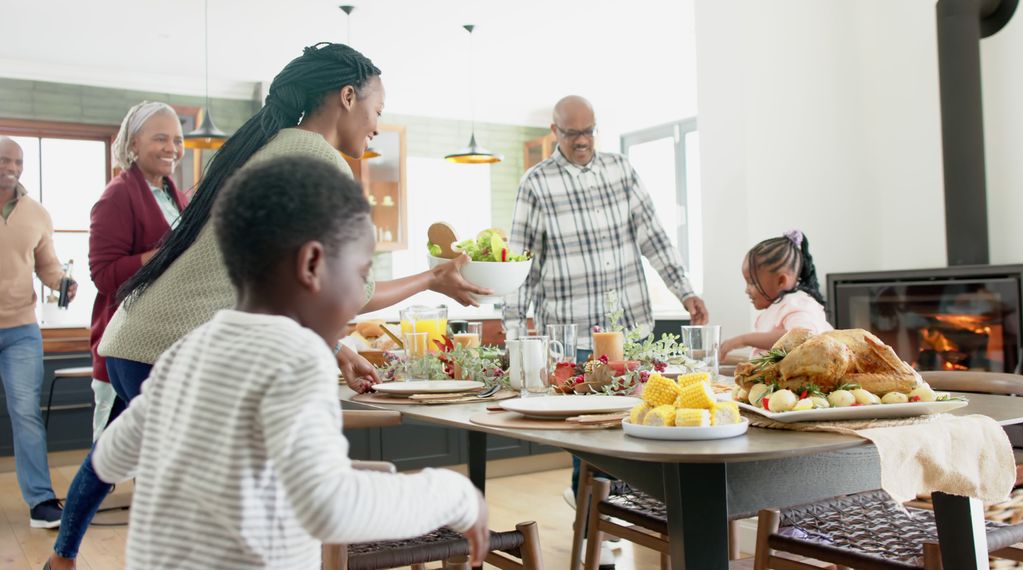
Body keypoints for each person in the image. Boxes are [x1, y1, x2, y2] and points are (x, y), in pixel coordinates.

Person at [49, 42, 489, 569]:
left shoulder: (266, 145)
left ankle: (64, 556)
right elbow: (328, 501)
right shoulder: (319, 162)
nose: (376, 124)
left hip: (148, 334)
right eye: (377, 109)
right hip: (167, 335)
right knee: (235, 495)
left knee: (176, 475)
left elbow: (285, 283)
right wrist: (433, 279)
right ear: (347, 97)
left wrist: (334, 344)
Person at [503, 95, 708, 359]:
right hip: (572, 344)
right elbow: (521, 269)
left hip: (632, 335)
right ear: (555, 130)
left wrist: (685, 291)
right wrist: (516, 340)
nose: (582, 140)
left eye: (589, 131)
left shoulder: (621, 169)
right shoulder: (536, 183)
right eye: (572, 133)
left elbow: (653, 238)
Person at [87, 101, 189, 441]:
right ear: (133, 144)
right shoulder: (116, 197)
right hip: (126, 341)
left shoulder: (174, 196)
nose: (172, 148)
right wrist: (157, 256)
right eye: (161, 138)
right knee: (111, 454)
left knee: (145, 449)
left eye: (177, 140)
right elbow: (103, 275)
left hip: (165, 341)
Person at [0, 136, 77, 528]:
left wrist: (62, 279)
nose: (10, 167)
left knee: (25, 412)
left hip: (20, 329)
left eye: (17, 161)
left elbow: (46, 265)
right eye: (3, 160)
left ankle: (41, 502)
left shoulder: (36, 213)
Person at [719, 230, 833, 360]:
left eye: (752, 283)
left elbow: (803, 337)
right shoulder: (779, 306)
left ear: (781, 281)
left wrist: (743, 340)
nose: (747, 290)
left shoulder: (798, 303)